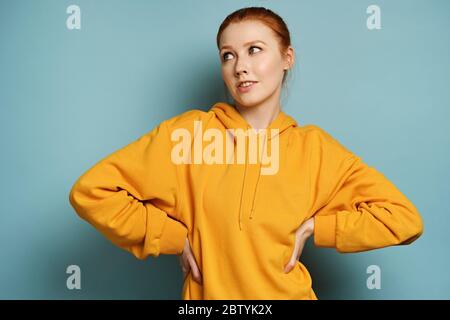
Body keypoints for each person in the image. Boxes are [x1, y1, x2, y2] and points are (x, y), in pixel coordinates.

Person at [69, 7, 424, 300]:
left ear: (287, 58)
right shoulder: (187, 135)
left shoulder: (314, 150)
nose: (240, 66)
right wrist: (171, 236)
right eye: (228, 55)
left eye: (255, 49)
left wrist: (321, 227)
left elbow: (403, 219)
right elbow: (91, 193)